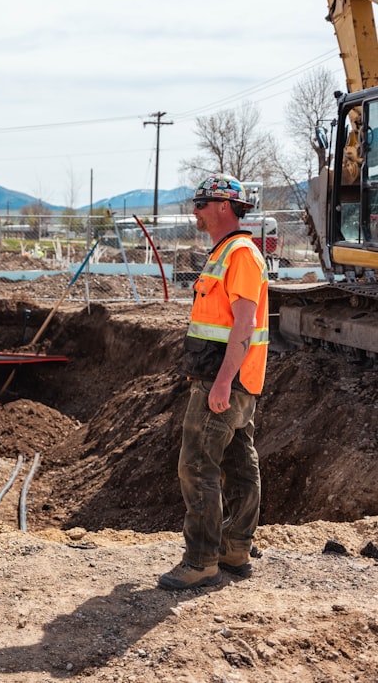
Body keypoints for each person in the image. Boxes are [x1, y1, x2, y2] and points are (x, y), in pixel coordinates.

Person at [158, 174, 269, 591]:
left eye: (202, 203)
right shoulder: (227, 252)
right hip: (234, 377)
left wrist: (222, 382)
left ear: (224, 207)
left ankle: (202, 560)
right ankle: (235, 550)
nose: (196, 210)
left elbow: (245, 322)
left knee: (196, 466)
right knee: (240, 463)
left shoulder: (239, 254)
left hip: (223, 379)